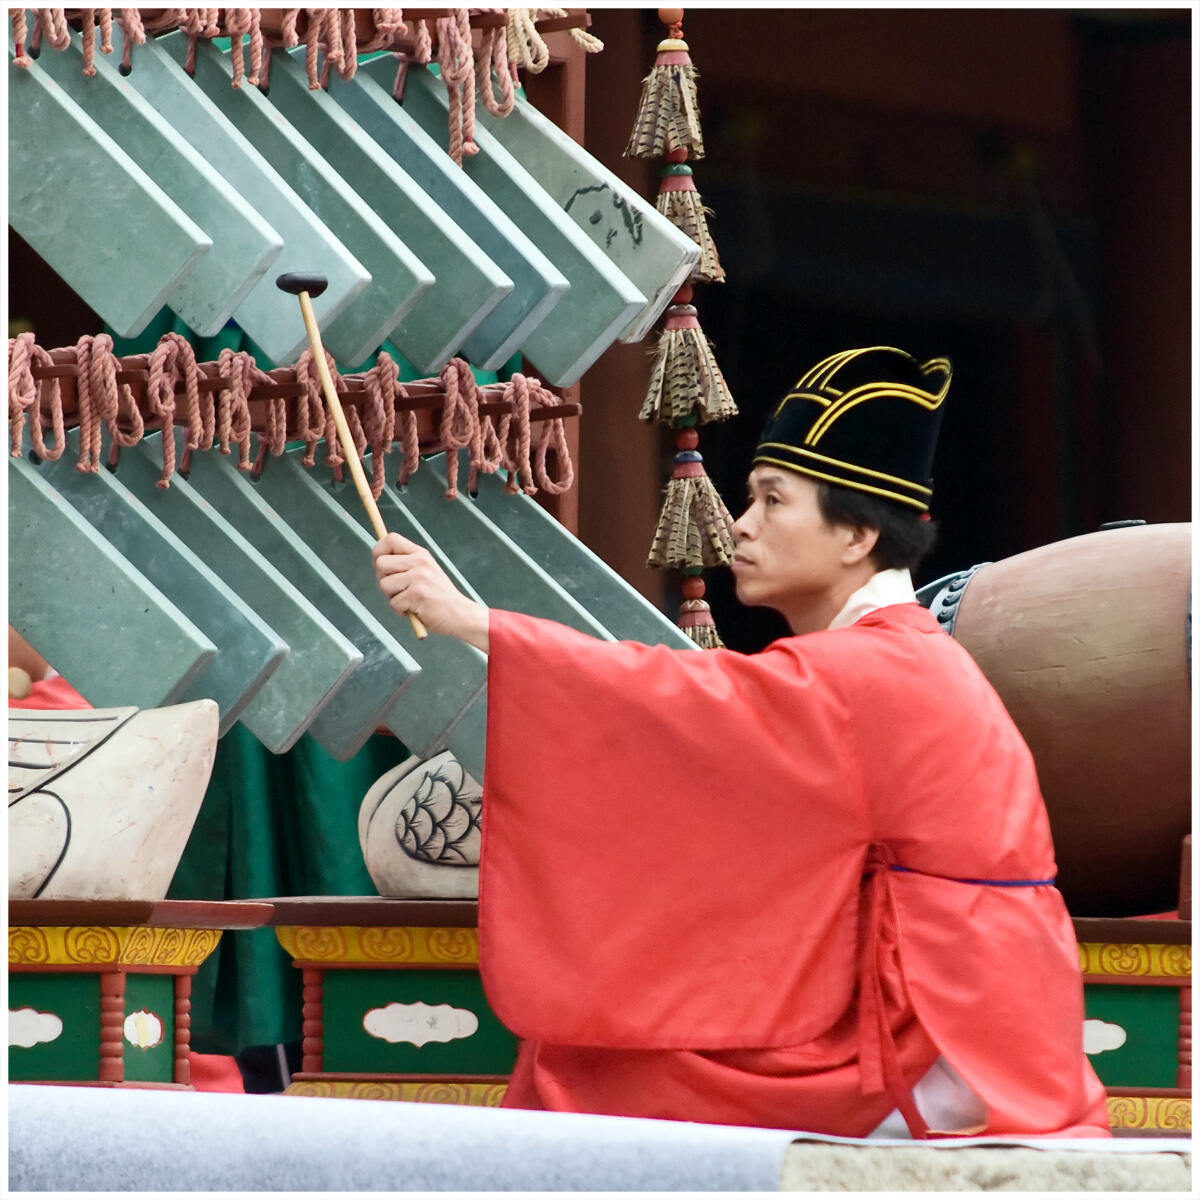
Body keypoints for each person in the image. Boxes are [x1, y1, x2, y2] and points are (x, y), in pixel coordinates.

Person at [371, 346, 1110, 1139]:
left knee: (589, 1068)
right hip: (957, 1003)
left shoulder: (879, 670)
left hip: (939, 1029)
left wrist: (472, 621)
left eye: (771, 501)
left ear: (857, 535)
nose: (740, 524)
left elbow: (679, 701)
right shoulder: (897, 653)